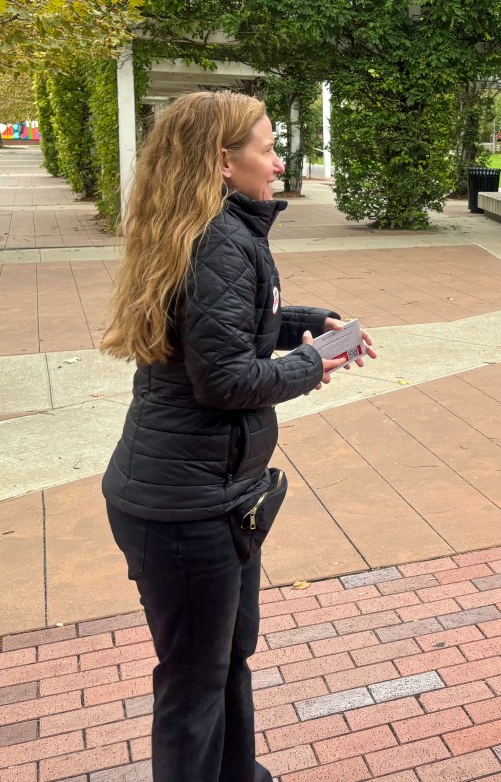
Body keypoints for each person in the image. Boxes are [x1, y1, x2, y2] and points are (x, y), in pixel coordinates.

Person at [99, 91, 375, 781]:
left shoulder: (211, 230)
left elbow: (213, 326)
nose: (278, 162)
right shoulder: (221, 238)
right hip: (187, 509)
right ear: (224, 163)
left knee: (225, 658)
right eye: (266, 148)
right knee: (194, 682)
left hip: (203, 498)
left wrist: (301, 320)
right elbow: (221, 378)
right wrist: (316, 361)